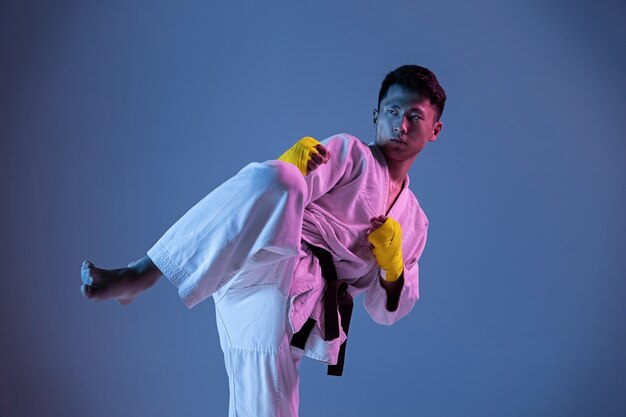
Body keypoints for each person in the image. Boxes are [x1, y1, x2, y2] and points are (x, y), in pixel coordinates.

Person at [80, 64, 446, 417]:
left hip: (302, 310)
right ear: (375, 115)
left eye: (414, 116)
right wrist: (289, 165)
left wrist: (392, 264)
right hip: (267, 260)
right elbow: (270, 198)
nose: (400, 125)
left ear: (434, 130)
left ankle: (140, 277)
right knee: (282, 179)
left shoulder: (415, 223)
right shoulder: (350, 154)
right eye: (392, 111)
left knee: (266, 406)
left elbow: (385, 311)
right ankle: (143, 272)